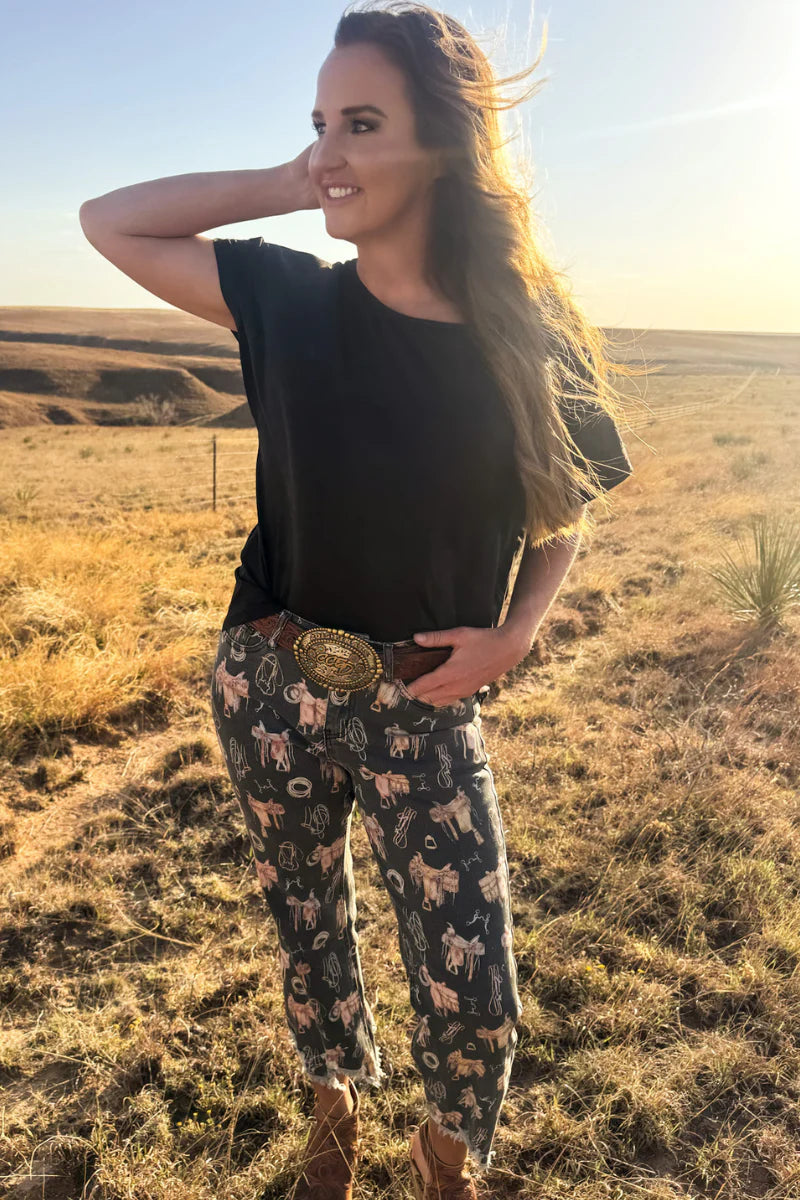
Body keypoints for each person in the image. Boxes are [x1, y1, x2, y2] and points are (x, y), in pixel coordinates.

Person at [79, 4, 637, 1196]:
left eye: (363, 123)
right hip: (268, 675)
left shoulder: (525, 332)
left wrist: (517, 631)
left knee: (472, 983)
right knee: (306, 922)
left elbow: (569, 499)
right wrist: (294, 180)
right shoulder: (286, 297)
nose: (331, 147)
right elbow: (107, 219)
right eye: (319, 121)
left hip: (420, 695)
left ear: (442, 143)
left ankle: (444, 1154)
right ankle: (331, 1112)